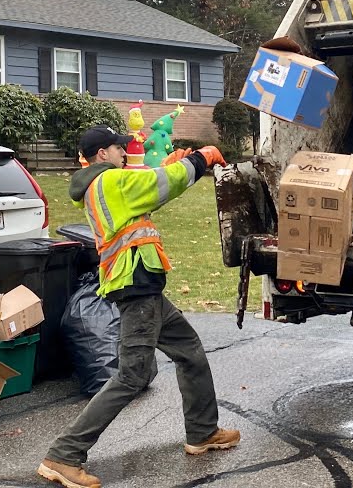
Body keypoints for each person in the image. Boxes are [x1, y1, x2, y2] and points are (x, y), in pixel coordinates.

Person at [38, 125, 240, 487]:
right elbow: (162, 184)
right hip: (136, 286)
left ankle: (202, 431)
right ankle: (64, 455)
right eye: (119, 148)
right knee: (132, 375)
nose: (124, 153)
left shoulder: (103, 184)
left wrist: (168, 165)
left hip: (141, 285)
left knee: (189, 351)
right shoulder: (109, 181)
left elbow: (149, 189)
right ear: (103, 154)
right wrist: (200, 159)